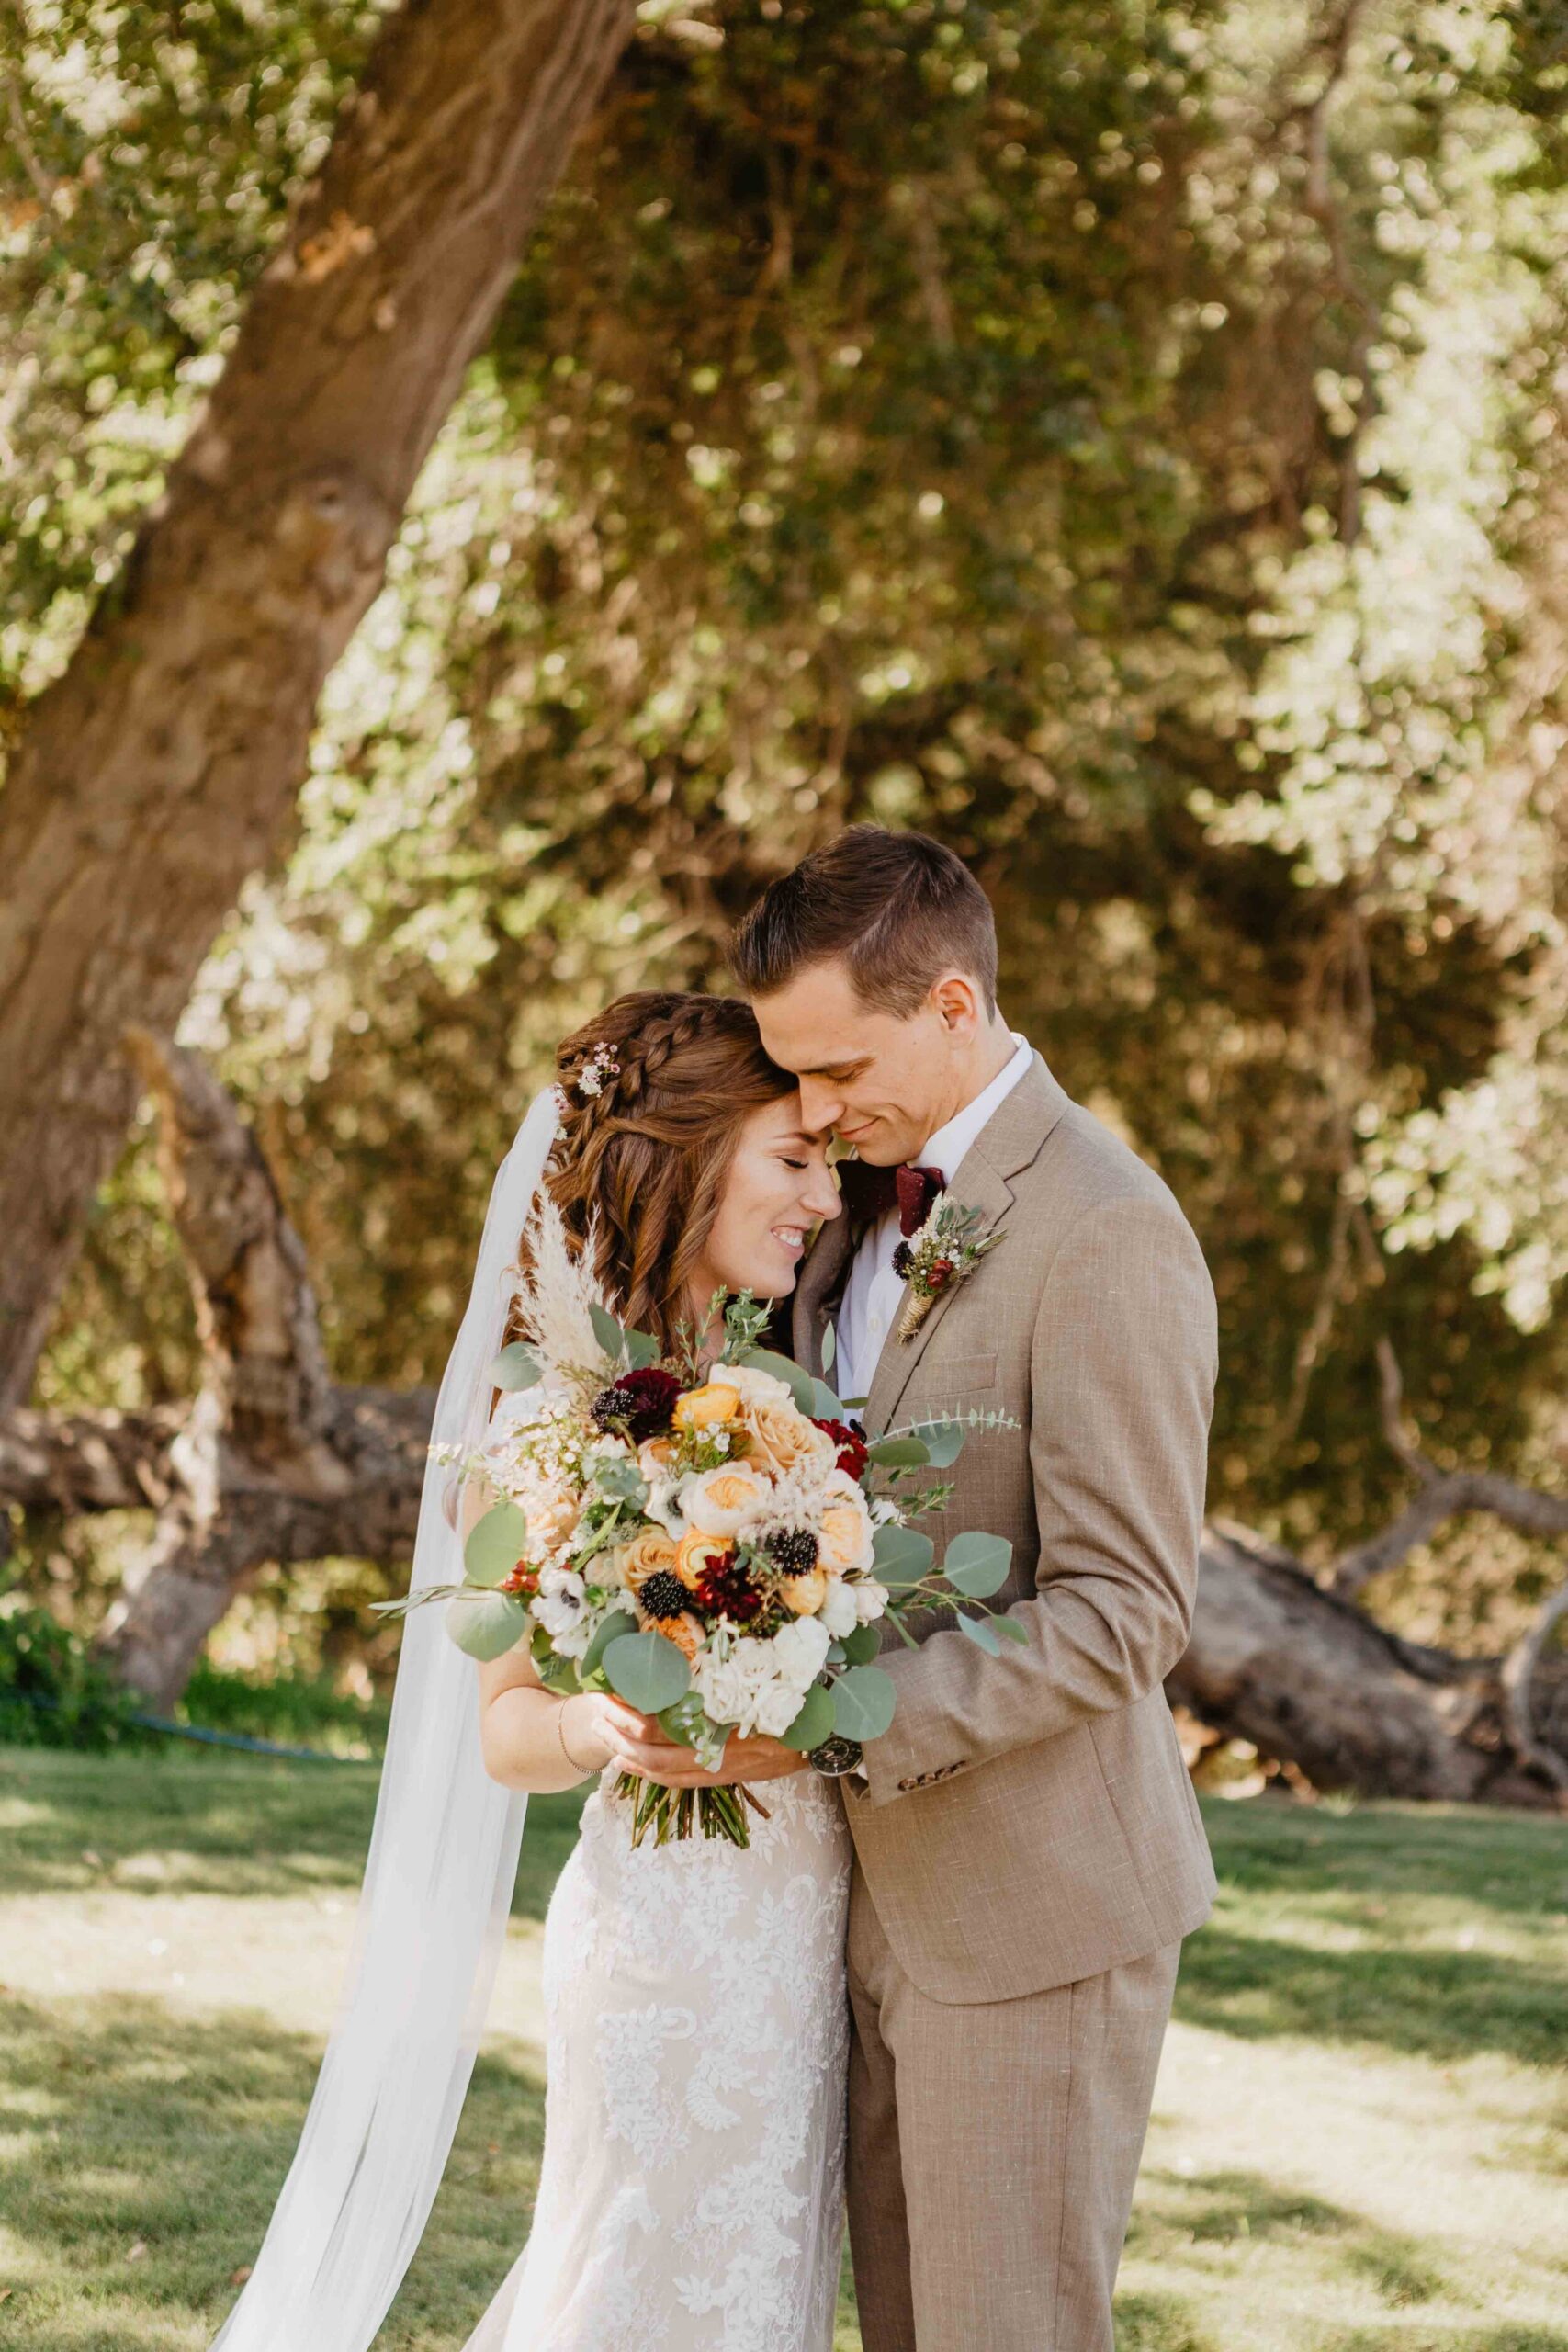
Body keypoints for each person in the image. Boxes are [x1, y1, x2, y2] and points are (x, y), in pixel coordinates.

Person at [728, 825, 1219, 2352]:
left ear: (953, 1008)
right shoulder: (851, 1216)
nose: (812, 1113)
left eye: (836, 1068)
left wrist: (832, 1720)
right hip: (858, 1904)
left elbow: (1130, 1605)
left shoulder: (1107, 1229)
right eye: (791, 1076)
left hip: (1032, 1909)